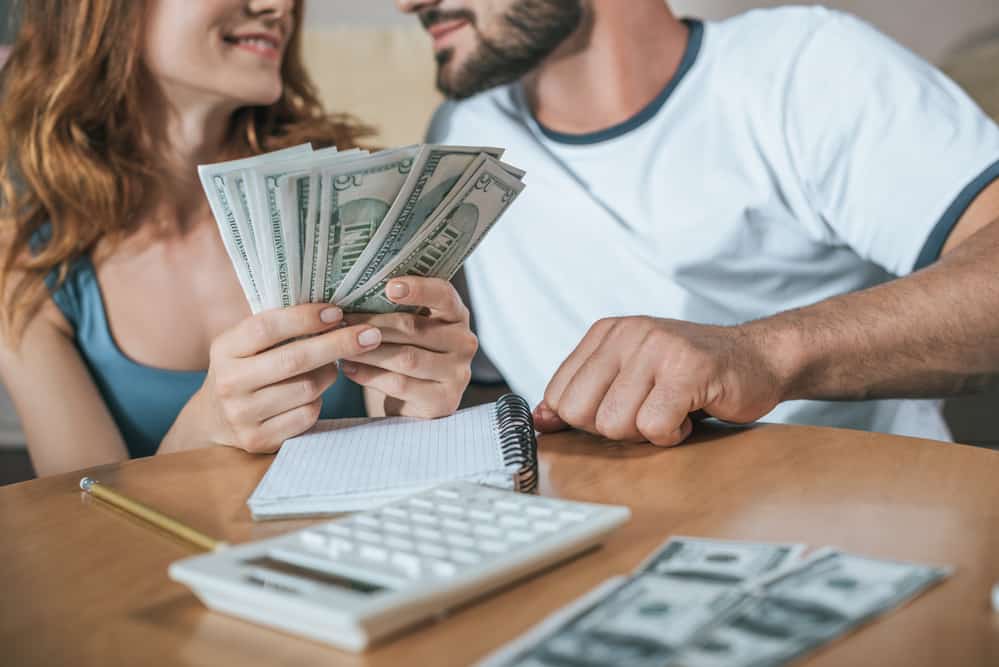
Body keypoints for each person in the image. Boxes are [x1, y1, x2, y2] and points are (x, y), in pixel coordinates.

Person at [398, 0, 999, 446]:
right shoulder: (462, 138)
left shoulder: (805, 68)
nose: (407, 3)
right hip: (585, 540)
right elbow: (473, 375)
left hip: (846, 527)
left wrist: (758, 355)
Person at [0, 0, 478, 477]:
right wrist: (204, 430)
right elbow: (82, 529)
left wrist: (413, 403)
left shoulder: (359, 196)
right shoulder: (24, 269)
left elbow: (395, 427)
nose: (278, 7)